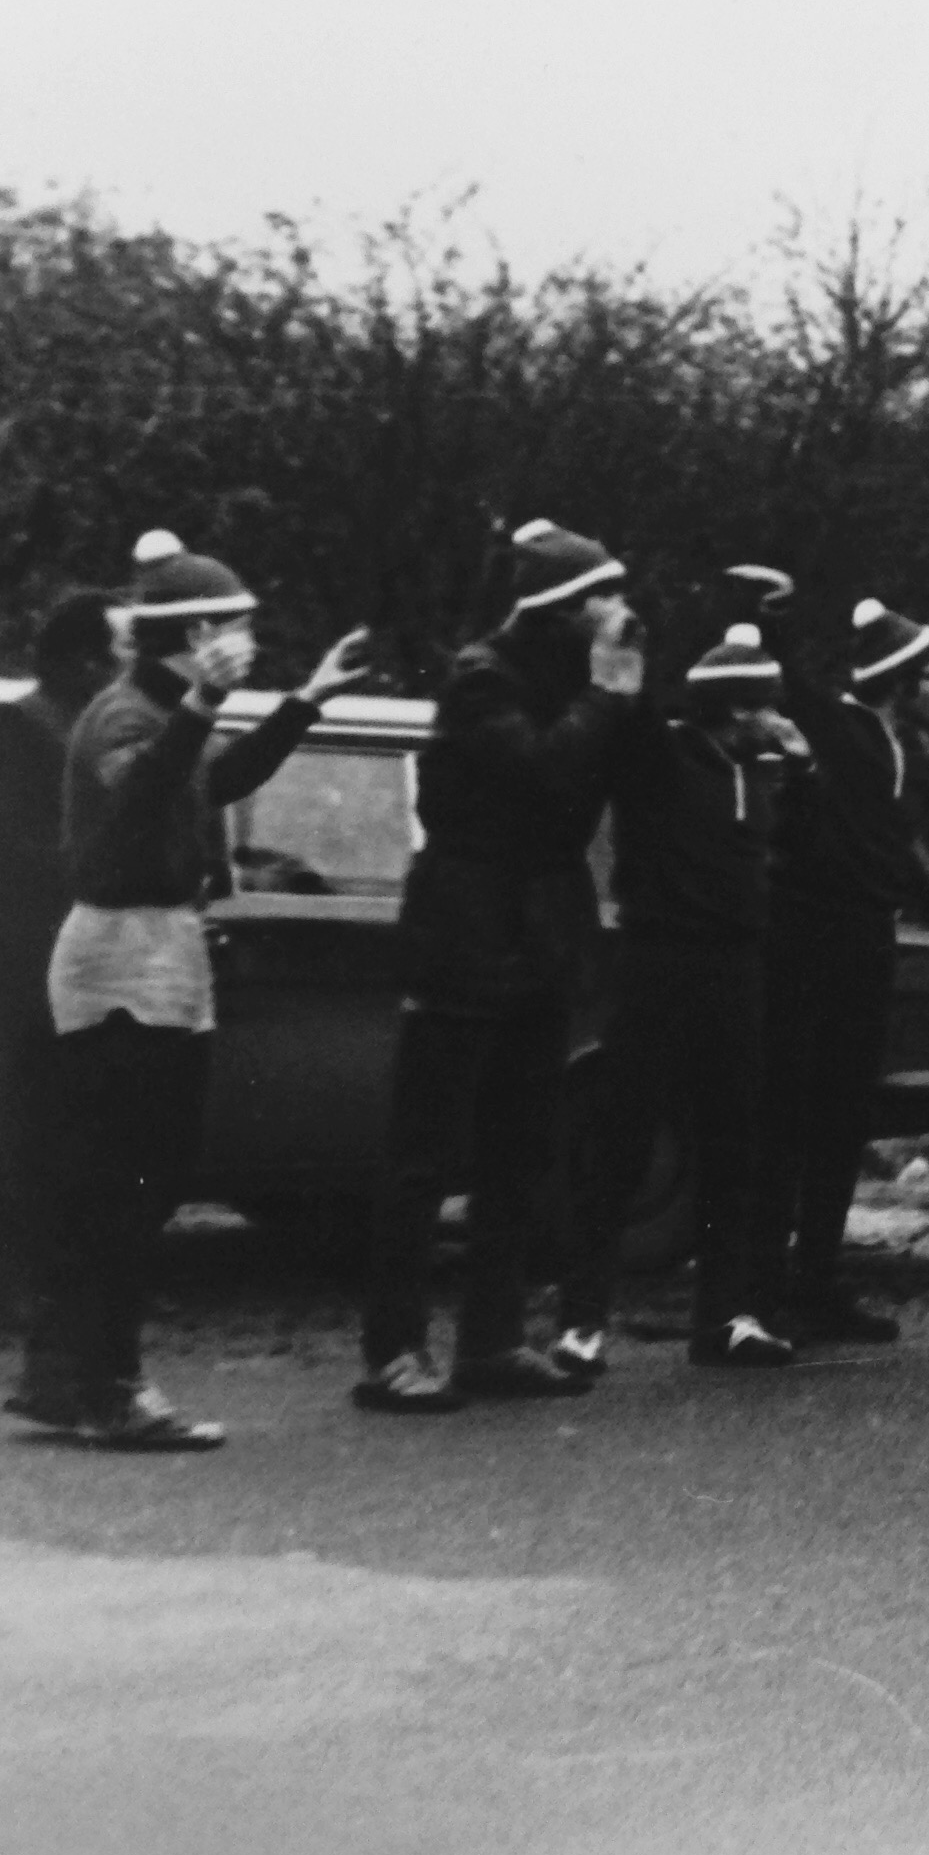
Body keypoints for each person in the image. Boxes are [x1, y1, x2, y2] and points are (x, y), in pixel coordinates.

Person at [44, 531, 373, 1448]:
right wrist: (204, 703)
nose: (247, 641)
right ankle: (108, 1388)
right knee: (131, 1182)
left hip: (160, 948)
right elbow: (140, 801)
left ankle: (77, 1381)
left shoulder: (161, 706)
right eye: (235, 626)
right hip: (122, 954)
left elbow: (214, 781)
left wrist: (307, 700)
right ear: (195, 635)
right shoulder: (126, 715)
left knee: (140, 1180)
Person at [358, 519, 649, 1413]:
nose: (622, 610)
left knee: (519, 1150)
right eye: (605, 595)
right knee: (424, 1156)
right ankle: (393, 1351)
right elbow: (540, 772)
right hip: (465, 926)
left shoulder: (581, 678)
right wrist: (606, 698)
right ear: (562, 607)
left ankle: (491, 1340)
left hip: (540, 932)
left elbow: (623, 772)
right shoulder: (482, 676)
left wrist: (628, 700)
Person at [746, 570, 929, 1345]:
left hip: (868, 943)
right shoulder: (838, 727)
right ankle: (759, 1292)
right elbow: (790, 682)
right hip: (804, 941)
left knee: (843, 1115)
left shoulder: (914, 760)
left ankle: (817, 1284)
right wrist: (769, 615)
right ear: (899, 679)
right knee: (787, 1114)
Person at [553, 622, 811, 1376]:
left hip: (737, 968)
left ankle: (722, 1319)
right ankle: (581, 1322)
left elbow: (792, 842)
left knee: (733, 1143)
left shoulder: (759, 772)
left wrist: (806, 768)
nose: (780, 720)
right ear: (738, 708)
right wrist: (625, 669)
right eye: (770, 706)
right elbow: (632, 735)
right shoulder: (665, 759)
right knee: (624, 1139)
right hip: (659, 962)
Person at [0, 588, 123, 1429]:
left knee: (83, 1157)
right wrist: (101, 862)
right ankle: (53, 1353)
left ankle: (66, 1350)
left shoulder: (103, 727)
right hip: (42, 967)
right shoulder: (17, 726)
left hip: (89, 960)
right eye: (113, 655)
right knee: (53, 1158)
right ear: (81, 661)